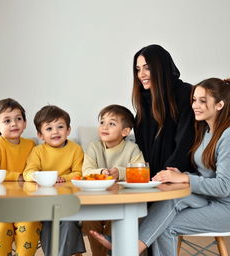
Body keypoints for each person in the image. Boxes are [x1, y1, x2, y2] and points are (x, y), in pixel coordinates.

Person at [92, 77, 230, 256]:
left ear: (219, 105)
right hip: (207, 199)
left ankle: (131, 246)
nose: (195, 105)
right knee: (169, 199)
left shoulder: (227, 136)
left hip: (224, 208)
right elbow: (206, 173)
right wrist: (181, 174)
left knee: (165, 227)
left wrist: (186, 178)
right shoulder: (205, 131)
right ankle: (130, 243)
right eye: (194, 100)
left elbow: (224, 187)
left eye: (203, 101)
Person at [0, 98, 41, 256]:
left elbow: (35, 170)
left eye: (18, 119)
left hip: (24, 207)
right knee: (0, 230)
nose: (14, 123)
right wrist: (18, 177)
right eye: (7, 120)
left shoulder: (31, 145)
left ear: (25, 123)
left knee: (29, 227)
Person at [82, 104, 145, 256]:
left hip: (120, 203)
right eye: (102, 122)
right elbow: (86, 171)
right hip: (97, 202)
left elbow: (142, 174)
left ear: (125, 131)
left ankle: (112, 253)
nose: (104, 127)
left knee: (116, 220)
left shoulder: (132, 149)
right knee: (89, 221)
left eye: (112, 123)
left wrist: (121, 172)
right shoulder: (94, 147)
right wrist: (102, 172)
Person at [23, 105, 85, 256]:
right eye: (49, 128)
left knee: (70, 224)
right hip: (45, 202)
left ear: (68, 130)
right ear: (40, 134)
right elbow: (28, 172)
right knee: (48, 226)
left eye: (60, 127)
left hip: (69, 201)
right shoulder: (38, 151)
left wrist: (64, 178)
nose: (55, 132)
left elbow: (79, 173)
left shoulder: (76, 149)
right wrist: (40, 178)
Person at [133, 44, 195, 178]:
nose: (141, 74)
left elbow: (185, 142)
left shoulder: (185, 93)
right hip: (149, 181)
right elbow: (141, 151)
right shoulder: (144, 102)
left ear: (160, 68)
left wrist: (165, 176)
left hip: (176, 176)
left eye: (147, 68)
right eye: (138, 69)